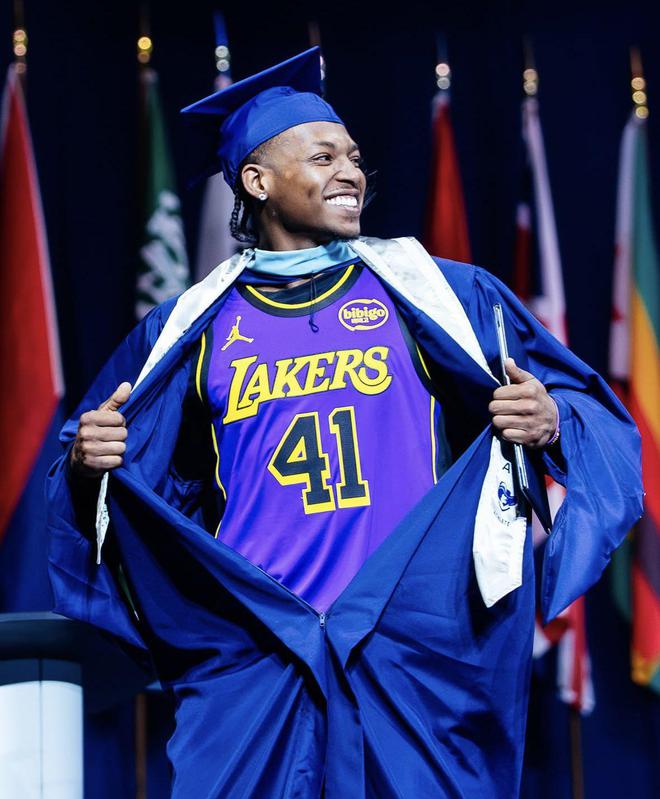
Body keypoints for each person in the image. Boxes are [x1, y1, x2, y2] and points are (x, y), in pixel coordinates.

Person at [47, 47, 643, 798]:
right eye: (323, 157)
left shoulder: (439, 294)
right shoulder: (189, 330)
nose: (351, 173)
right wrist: (90, 464)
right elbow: (109, 472)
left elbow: (588, 408)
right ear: (258, 181)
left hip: (406, 652)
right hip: (260, 657)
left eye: (355, 158)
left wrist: (550, 419)